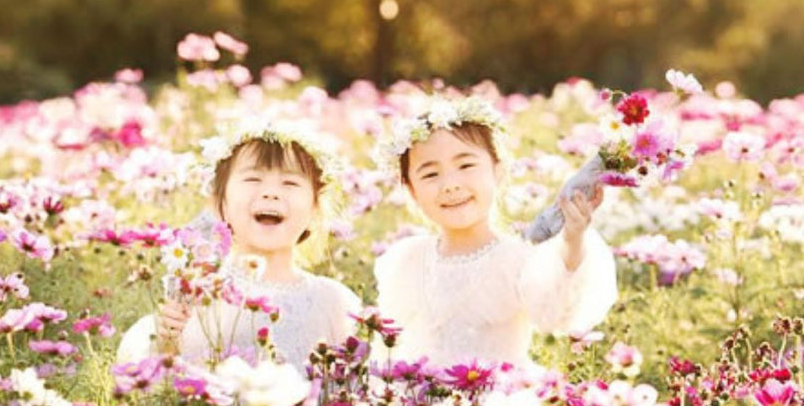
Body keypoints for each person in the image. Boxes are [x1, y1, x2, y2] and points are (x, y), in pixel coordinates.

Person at [373, 97, 616, 369]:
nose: (450, 185)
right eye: (430, 174)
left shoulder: (517, 258)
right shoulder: (407, 259)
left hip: (495, 402)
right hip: (417, 403)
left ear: (498, 171)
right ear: (411, 191)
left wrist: (573, 240)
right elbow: (388, 349)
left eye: (465, 166)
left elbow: (558, 312)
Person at [117, 122, 361, 368]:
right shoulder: (199, 295)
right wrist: (167, 340)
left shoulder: (333, 302)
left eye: (290, 183)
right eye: (253, 179)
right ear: (221, 204)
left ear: (315, 209)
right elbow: (164, 387)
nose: (271, 193)